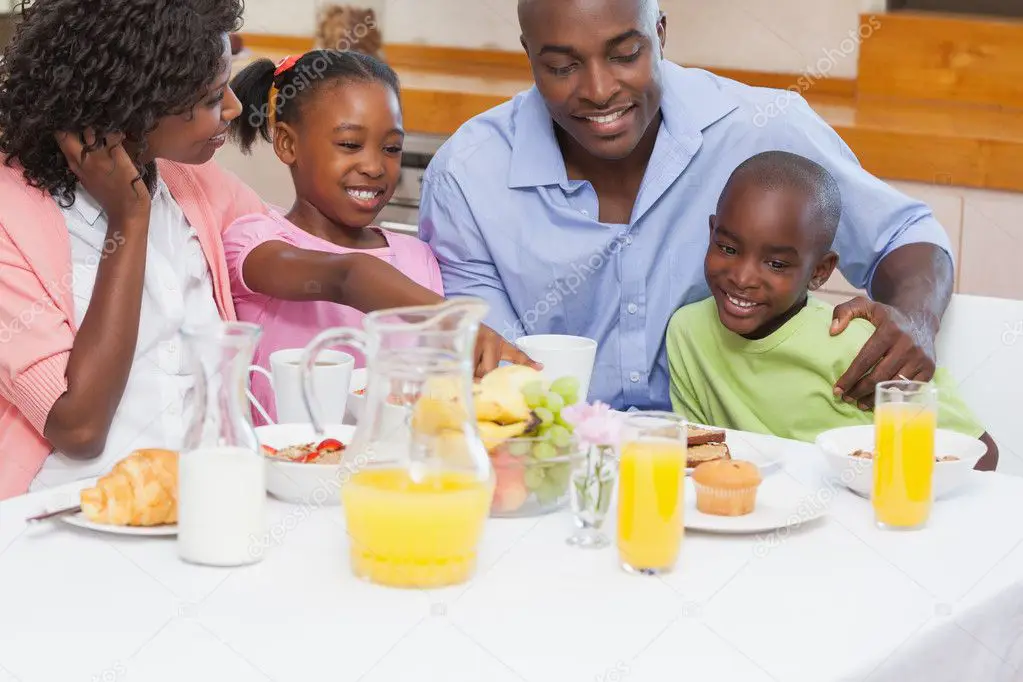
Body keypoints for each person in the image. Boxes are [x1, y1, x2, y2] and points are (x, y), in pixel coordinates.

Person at [0, 2, 526, 500]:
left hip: (210, 501)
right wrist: (129, 219)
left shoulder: (196, 186)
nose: (233, 108)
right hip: (63, 514)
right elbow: (80, 427)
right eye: (210, 99)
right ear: (133, 106)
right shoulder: (10, 219)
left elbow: (336, 270)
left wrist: (453, 326)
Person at [420, 0, 958, 413]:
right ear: (529, 54)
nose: (599, 90)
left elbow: (906, 235)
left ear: (659, 33)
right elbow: (498, 375)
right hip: (555, 469)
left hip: (750, 468)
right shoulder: (468, 175)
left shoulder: (762, 129)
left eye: (625, 54)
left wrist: (914, 316)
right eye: (562, 66)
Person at [665, 151, 998, 471]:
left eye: (777, 263)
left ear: (820, 271)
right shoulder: (687, 333)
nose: (742, 277)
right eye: (728, 248)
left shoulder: (860, 346)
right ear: (711, 233)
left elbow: (980, 454)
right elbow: (697, 455)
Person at [225, 50, 443, 424]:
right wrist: (455, 322)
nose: (375, 167)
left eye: (391, 148)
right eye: (349, 145)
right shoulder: (256, 244)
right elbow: (347, 277)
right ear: (287, 144)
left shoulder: (418, 258)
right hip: (278, 477)